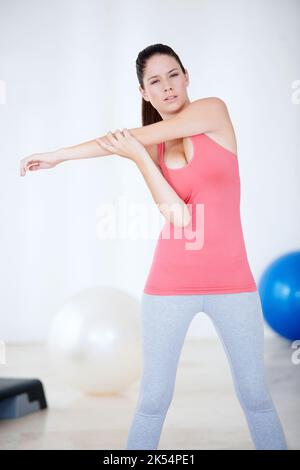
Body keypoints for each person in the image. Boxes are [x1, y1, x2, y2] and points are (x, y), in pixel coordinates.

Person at [19, 43, 288, 451]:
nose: (167, 88)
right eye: (155, 82)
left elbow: (130, 139)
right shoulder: (154, 148)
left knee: (256, 399)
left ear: (187, 76)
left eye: (173, 75)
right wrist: (140, 159)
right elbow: (180, 218)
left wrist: (67, 154)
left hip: (234, 284)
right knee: (152, 402)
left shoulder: (212, 111)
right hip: (168, 285)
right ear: (143, 93)